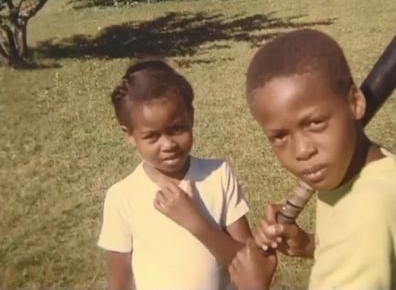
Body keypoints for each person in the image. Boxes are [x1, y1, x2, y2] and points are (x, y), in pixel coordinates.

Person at [229, 29, 396, 290]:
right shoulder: (364, 172)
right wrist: (308, 244)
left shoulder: (364, 214)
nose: (302, 151)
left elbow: (359, 236)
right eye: (280, 136)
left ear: (355, 102)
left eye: (316, 123)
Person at [97, 60, 252, 290]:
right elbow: (119, 282)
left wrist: (194, 220)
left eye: (177, 129)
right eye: (152, 137)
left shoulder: (217, 175)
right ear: (129, 135)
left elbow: (250, 264)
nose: (168, 144)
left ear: (191, 117)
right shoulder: (122, 197)